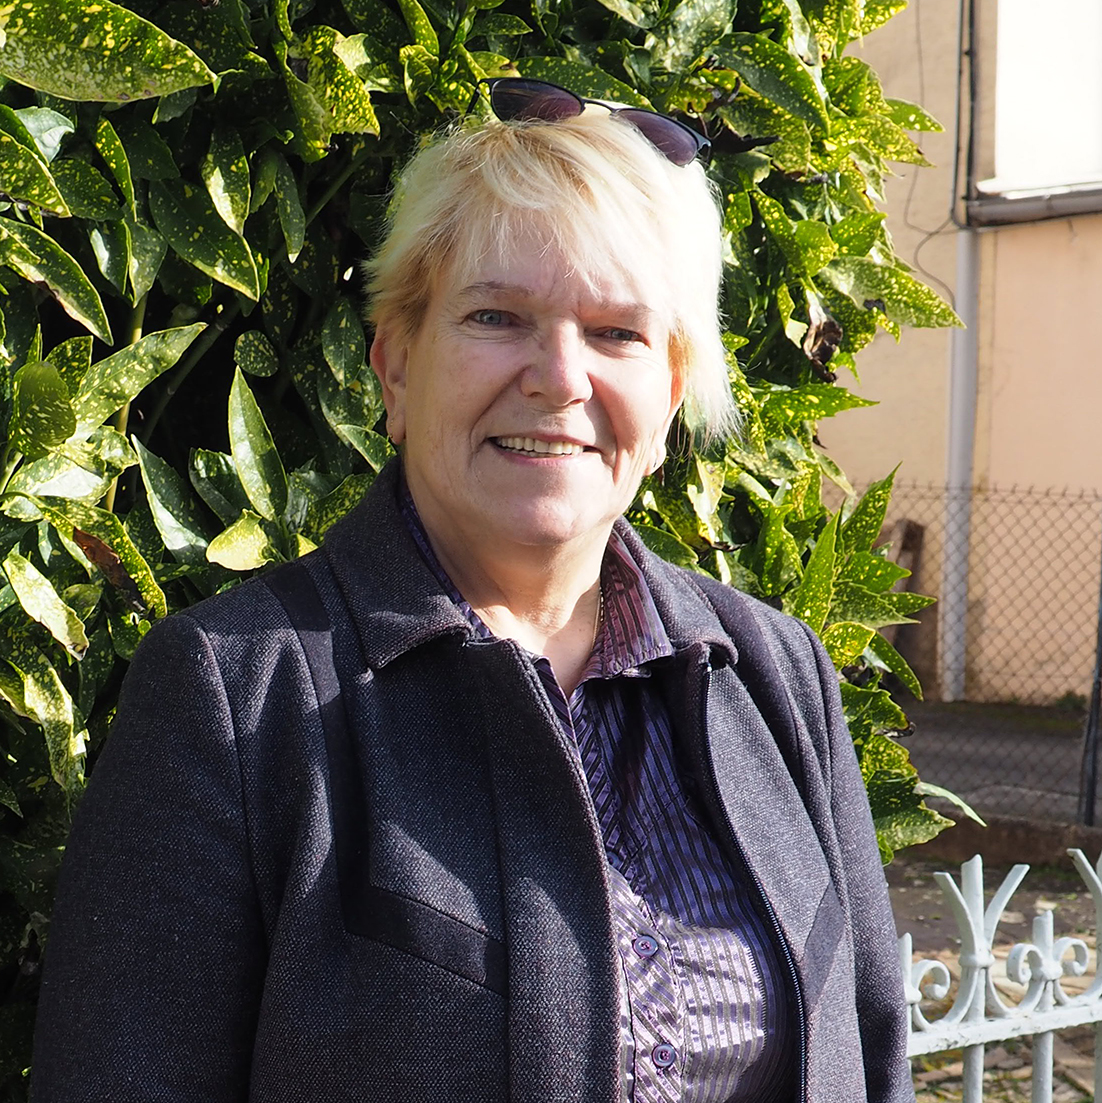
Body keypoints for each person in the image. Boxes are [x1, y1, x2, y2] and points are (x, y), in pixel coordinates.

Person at [31, 78, 914, 1103]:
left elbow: (871, 1052)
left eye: (618, 333)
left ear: (671, 396)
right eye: (498, 316)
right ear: (396, 366)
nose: (559, 376)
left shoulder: (771, 674)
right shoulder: (234, 698)